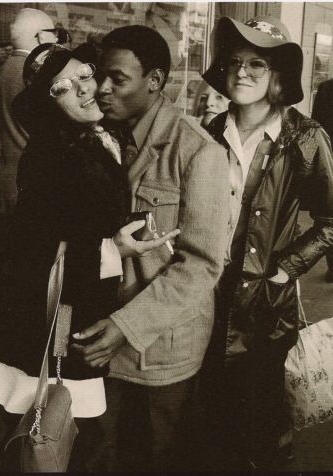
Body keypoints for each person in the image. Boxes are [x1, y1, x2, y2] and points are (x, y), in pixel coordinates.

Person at [0, 42, 178, 472]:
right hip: (60, 326)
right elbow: (31, 256)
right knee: (62, 439)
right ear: (47, 104)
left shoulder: (95, 137)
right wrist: (115, 249)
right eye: (62, 88)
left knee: (79, 439)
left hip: (80, 313)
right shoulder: (48, 156)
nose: (84, 90)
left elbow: (81, 218)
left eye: (84, 75)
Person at [71, 25, 230, 472]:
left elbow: (200, 265)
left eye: (117, 79)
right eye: (99, 77)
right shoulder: (96, 138)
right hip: (101, 339)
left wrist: (125, 325)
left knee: (155, 455)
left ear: (155, 81)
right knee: (99, 453)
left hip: (160, 347)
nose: (101, 89)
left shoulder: (198, 152)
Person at [201, 15, 333, 471]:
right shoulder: (210, 132)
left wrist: (283, 269)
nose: (242, 72)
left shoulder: (306, 138)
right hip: (207, 298)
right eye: (235, 61)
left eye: (257, 63)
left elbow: (331, 219)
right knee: (209, 420)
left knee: (260, 425)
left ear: (278, 75)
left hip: (266, 310)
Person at [0, 8, 57, 227]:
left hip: (8, 176)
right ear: (40, 36)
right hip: (34, 180)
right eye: (53, 32)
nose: (56, 38)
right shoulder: (34, 74)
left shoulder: (3, 70)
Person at [312, 79, 333, 282]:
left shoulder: (326, 88)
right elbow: (316, 125)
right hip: (329, 159)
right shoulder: (326, 89)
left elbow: (315, 123)